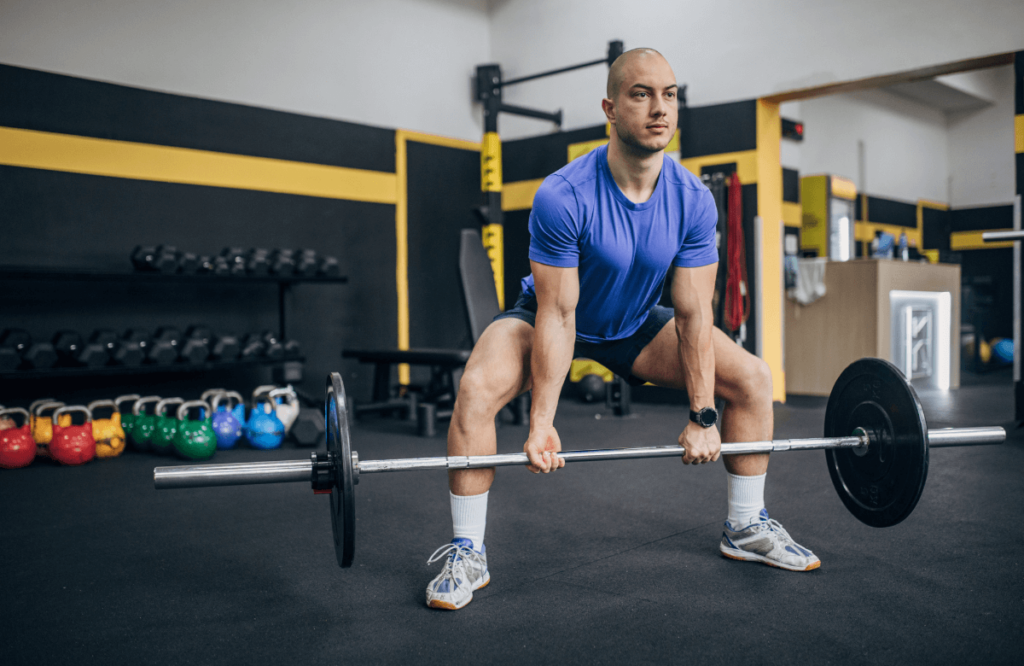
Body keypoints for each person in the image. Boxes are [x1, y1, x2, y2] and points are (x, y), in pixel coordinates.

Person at [426, 48, 819, 611]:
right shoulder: (564, 194)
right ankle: (467, 550)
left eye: (670, 94)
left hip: (632, 325)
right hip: (550, 318)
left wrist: (703, 416)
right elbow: (560, 315)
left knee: (753, 377)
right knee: (476, 390)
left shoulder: (693, 201)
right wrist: (542, 423)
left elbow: (693, 315)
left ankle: (745, 526)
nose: (660, 108)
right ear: (610, 108)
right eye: (642, 94)